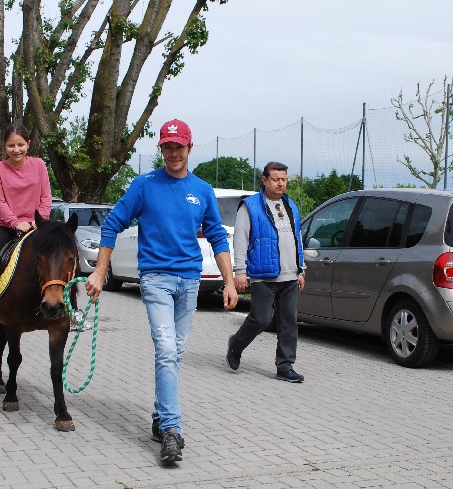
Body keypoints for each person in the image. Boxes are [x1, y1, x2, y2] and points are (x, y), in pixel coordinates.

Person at [85, 118, 238, 465]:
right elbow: (112, 224)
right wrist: (99, 271)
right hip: (155, 280)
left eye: (178, 147)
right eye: (167, 147)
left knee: (174, 353)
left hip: (190, 283)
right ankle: (171, 429)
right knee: (167, 350)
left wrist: (229, 281)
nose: (173, 153)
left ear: (189, 148)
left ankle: (159, 414)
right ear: (161, 149)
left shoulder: (202, 190)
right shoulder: (144, 185)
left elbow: (216, 237)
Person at [226, 161, 306, 383]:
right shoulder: (250, 206)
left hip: (290, 275)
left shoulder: (290, 205)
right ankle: (236, 344)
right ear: (264, 180)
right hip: (263, 274)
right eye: (276, 179)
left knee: (289, 321)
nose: (281, 183)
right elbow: (240, 239)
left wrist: (301, 269)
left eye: (284, 179)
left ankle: (285, 366)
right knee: (261, 319)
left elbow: (297, 238)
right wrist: (240, 271)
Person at [0, 124, 52, 335]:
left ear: (28, 144)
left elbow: (45, 196)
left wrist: (38, 220)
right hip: (8, 226)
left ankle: (73, 308)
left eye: (21, 145)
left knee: (63, 252)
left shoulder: (39, 165)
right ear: (5, 147)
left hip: (36, 225)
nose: (16, 150)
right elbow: (0, 201)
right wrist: (16, 223)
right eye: (11, 145)